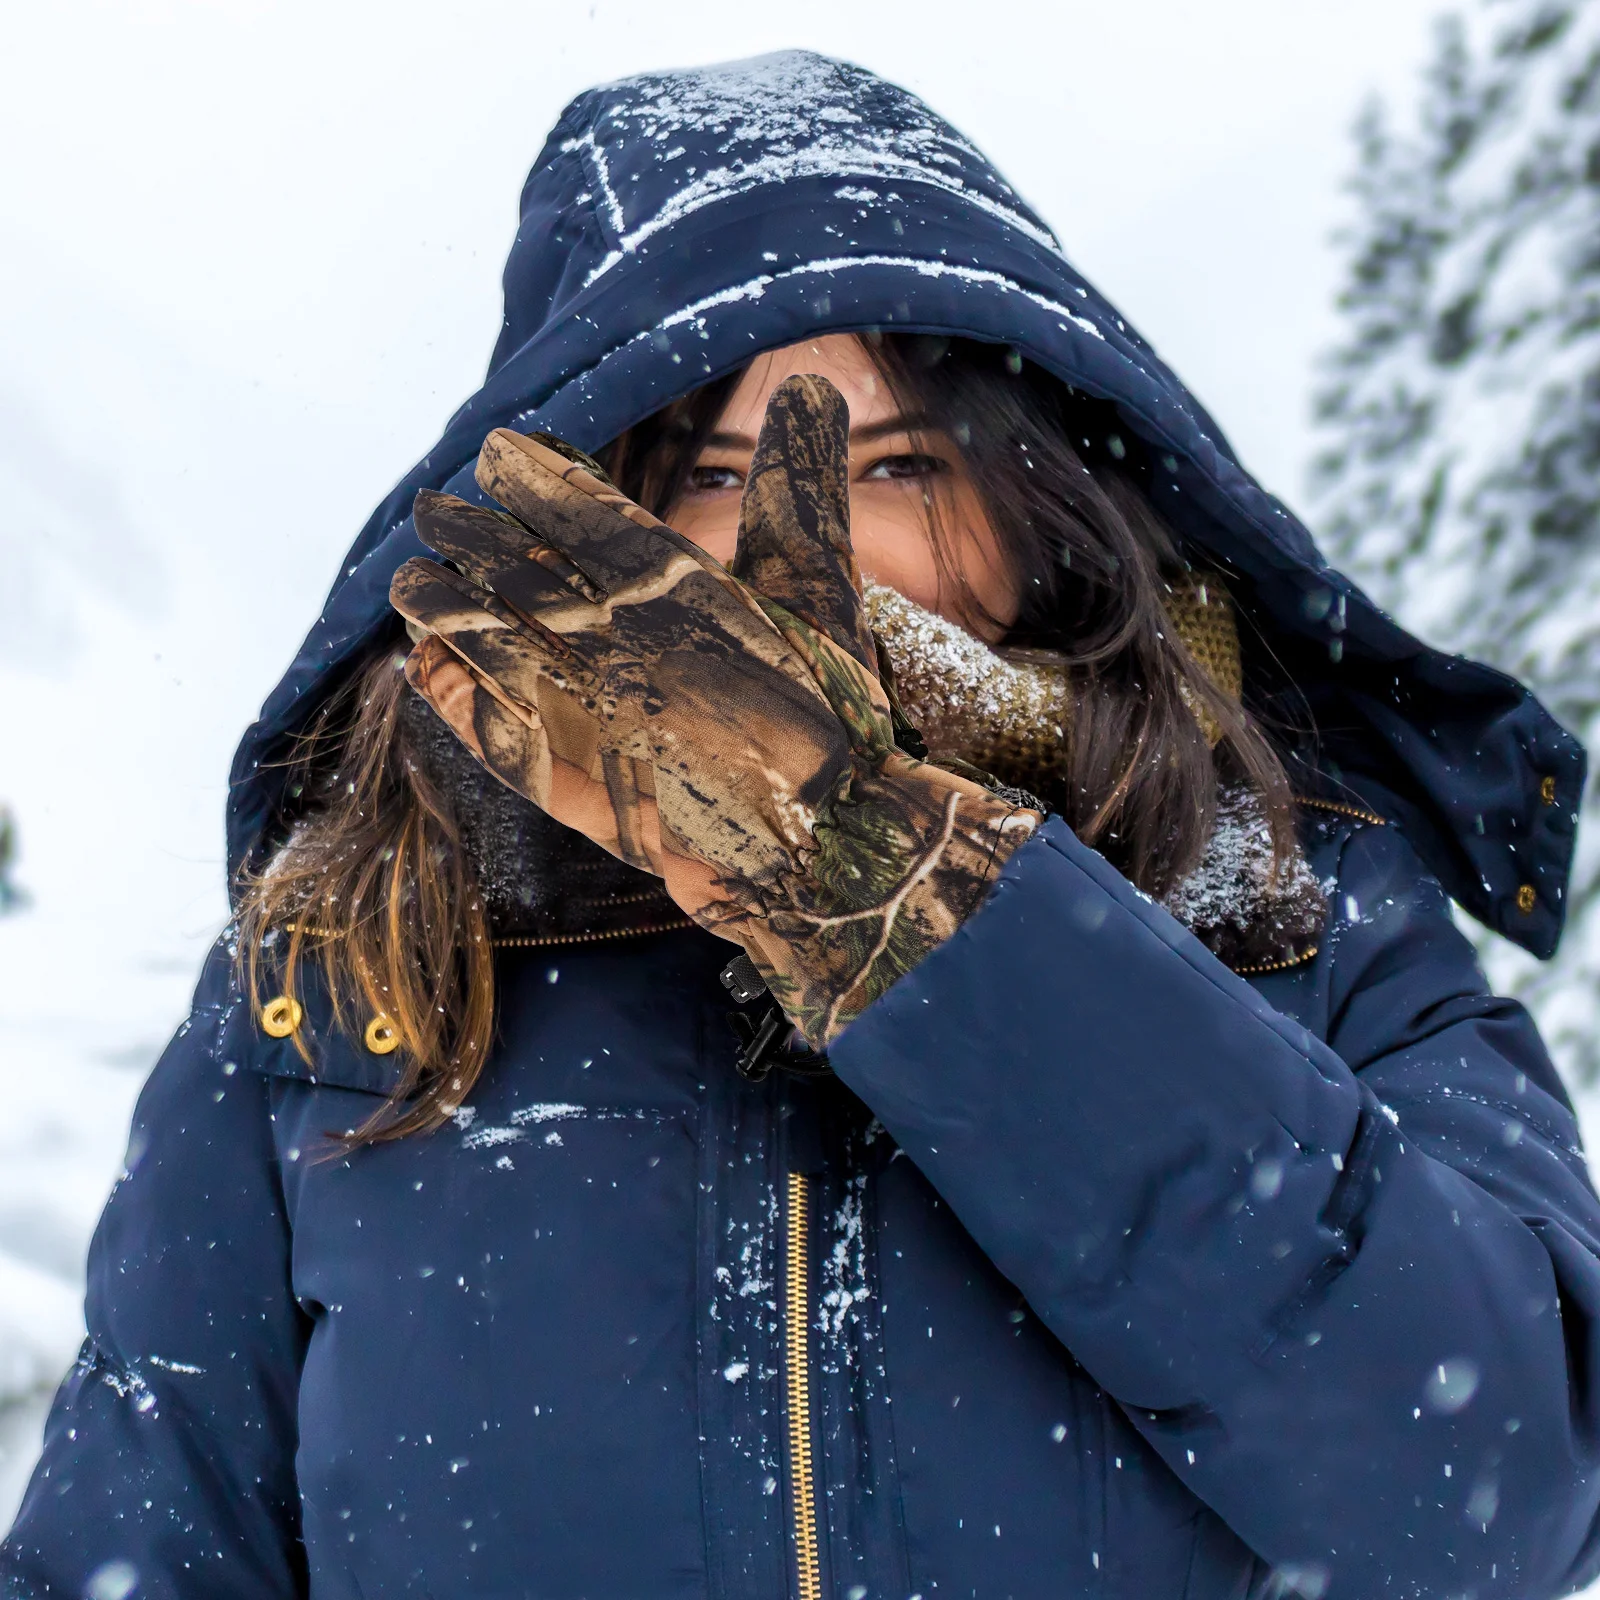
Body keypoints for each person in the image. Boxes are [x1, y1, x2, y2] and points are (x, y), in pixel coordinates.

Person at [3, 51, 1595, 1600]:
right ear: (589, 510)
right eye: (709, 470)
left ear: (1035, 495)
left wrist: (882, 883)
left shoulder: (1293, 894)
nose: (808, 538)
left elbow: (1505, 1492)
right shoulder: (347, 960)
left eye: (895, 458)